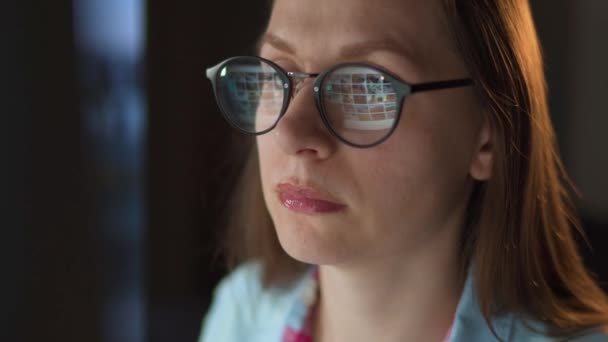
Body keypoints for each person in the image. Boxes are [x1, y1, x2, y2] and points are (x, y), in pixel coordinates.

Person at [200, 0, 608, 341]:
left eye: (364, 87)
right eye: (279, 74)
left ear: (488, 135)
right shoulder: (243, 314)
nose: (291, 132)